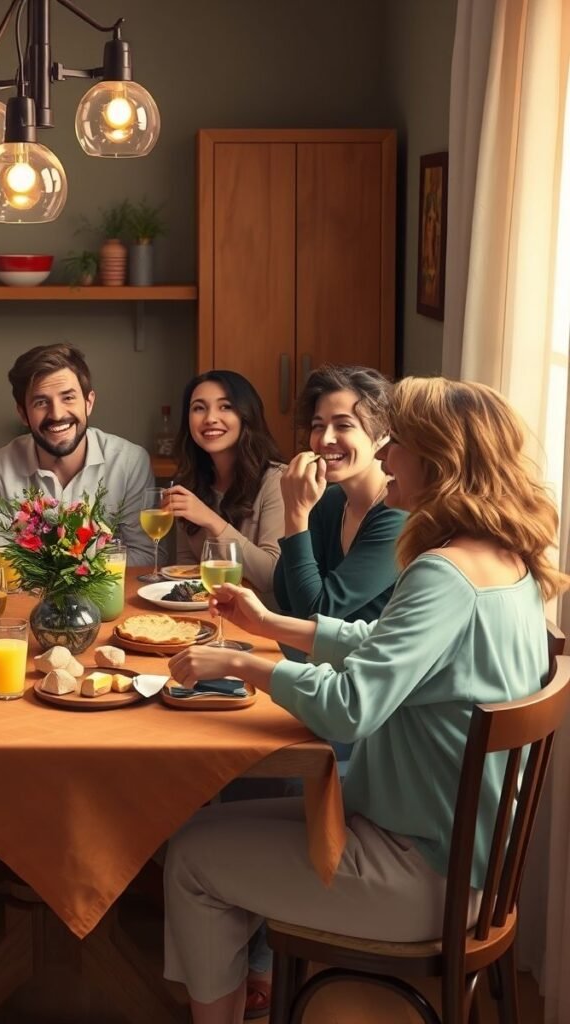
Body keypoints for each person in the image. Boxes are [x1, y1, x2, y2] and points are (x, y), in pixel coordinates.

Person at [162, 377, 568, 1024]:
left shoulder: (443, 573)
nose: (384, 458)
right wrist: (270, 626)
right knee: (201, 831)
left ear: (437, 460)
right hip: (458, 849)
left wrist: (242, 663)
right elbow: (383, 641)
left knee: (189, 859)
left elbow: (349, 708)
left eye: (398, 444)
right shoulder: (502, 562)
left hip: (427, 871)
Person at [0, 343, 153, 570]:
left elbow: (146, 557)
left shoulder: (129, 462)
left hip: (106, 604)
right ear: (23, 414)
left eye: (68, 398)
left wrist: (59, 571)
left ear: (89, 403)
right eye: (41, 402)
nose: (57, 414)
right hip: (26, 605)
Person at [273, 365, 407, 649]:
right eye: (318, 426)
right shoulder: (331, 500)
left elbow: (316, 613)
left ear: (383, 434)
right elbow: (286, 596)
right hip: (321, 658)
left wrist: (296, 514)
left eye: (343, 425)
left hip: (368, 672)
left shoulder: (397, 514)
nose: (325, 439)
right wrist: (301, 510)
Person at [164, 370, 285, 601]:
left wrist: (210, 519)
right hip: (207, 615)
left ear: (246, 415)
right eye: (199, 408)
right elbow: (186, 569)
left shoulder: (277, 480)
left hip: (263, 624)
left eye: (225, 407)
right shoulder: (189, 482)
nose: (210, 418)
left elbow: (270, 576)